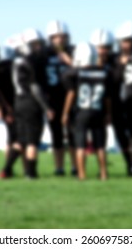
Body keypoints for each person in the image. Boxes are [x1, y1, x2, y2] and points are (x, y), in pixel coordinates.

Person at [0, 29, 54, 179]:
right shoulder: (31, 62)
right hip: (31, 102)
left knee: (20, 140)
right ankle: (30, 173)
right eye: (35, 44)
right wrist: (47, 107)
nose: (38, 47)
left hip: (19, 101)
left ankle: (6, 169)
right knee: (32, 141)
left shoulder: (17, 61)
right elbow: (35, 87)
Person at [62, 42, 112, 180]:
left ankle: (82, 174)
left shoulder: (73, 73)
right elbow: (107, 98)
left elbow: (71, 94)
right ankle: (103, 173)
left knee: (80, 145)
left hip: (81, 112)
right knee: (100, 145)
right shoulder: (104, 73)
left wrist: (65, 113)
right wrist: (108, 114)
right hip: (98, 111)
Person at [113, 20, 132, 176]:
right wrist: (121, 65)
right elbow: (113, 80)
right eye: (123, 41)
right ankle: (129, 163)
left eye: (128, 41)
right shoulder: (116, 58)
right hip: (118, 103)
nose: (125, 44)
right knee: (121, 136)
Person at [45, 20, 76, 176]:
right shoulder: (45, 53)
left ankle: (75, 166)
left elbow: (81, 69)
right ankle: (59, 167)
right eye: (56, 37)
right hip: (52, 99)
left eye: (62, 36)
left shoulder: (73, 51)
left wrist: (68, 59)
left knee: (72, 134)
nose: (60, 39)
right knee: (56, 134)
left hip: (71, 97)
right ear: (50, 38)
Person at [0, 46, 17, 171]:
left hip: (4, 107)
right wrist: (9, 110)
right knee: (14, 139)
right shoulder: (11, 68)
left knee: (10, 138)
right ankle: (8, 167)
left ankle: (9, 167)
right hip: (11, 107)